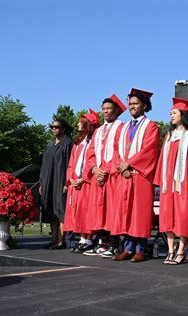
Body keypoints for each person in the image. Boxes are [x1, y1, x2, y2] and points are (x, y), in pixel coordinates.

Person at [111, 88, 160, 263]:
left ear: (144, 105)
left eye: (135, 103)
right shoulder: (123, 128)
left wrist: (130, 164)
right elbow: (117, 150)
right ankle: (127, 247)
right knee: (126, 211)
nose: (131, 106)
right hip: (124, 176)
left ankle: (140, 249)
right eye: (130, 104)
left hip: (140, 176)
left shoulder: (151, 126)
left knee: (139, 212)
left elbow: (149, 150)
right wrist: (121, 167)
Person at [153, 98, 188, 265]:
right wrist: (161, 181)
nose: (171, 116)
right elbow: (161, 162)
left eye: (174, 113)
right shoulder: (168, 136)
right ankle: (170, 250)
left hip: (182, 184)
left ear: (183, 115)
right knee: (167, 217)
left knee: (182, 216)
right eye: (170, 113)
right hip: (168, 185)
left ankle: (181, 249)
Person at [82, 94, 126, 257]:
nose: (106, 112)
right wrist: (94, 170)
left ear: (116, 111)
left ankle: (114, 244)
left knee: (112, 210)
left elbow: (121, 153)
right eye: (104, 109)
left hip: (112, 176)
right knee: (98, 210)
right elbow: (91, 153)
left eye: (109, 109)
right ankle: (102, 243)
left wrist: (107, 170)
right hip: (98, 176)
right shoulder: (98, 131)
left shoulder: (121, 128)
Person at [63, 109, 101, 253]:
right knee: (78, 212)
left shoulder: (95, 142)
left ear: (88, 125)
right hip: (76, 183)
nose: (78, 124)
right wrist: (70, 179)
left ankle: (89, 239)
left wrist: (83, 179)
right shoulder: (78, 144)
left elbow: (94, 162)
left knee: (87, 211)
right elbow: (71, 164)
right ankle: (82, 238)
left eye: (81, 122)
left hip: (87, 183)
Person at [39, 118, 73, 249]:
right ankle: (53, 239)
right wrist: (42, 183)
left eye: (57, 127)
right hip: (48, 182)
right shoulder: (50, 144)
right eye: (52, 127)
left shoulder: (68, 143)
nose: (54, 129)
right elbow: (44, 165)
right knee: (51, 210)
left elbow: (71, 164)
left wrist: (67, 182)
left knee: (61, 210)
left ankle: (62, 240)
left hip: (60, 181)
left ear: (63, 128)